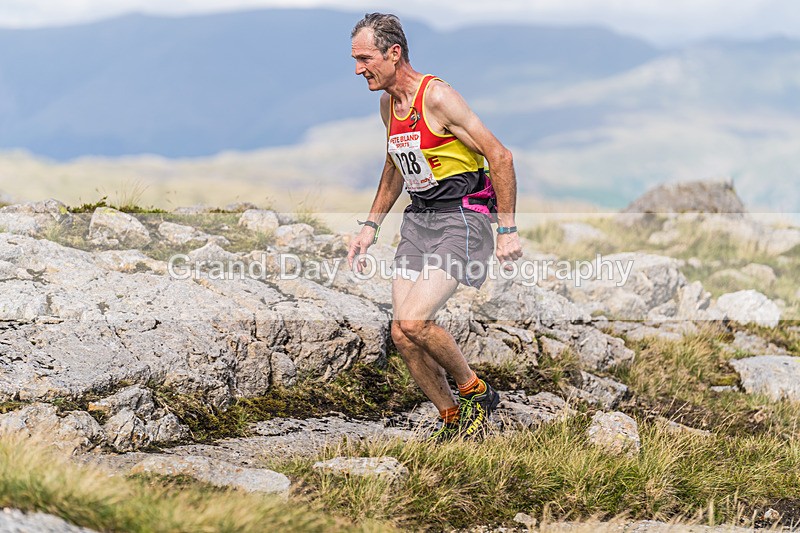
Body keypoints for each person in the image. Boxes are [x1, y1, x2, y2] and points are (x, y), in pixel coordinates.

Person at [347, 13, 523, 441]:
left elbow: (500, 156)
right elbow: (394, 165)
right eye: (354, 60)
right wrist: (371, 225)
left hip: (463, 217)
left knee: (414, 321)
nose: (357, 69)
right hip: (420, 217)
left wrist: (508, 228)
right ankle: (453, 420)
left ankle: (474, 391)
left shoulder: (439, 97)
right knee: (402, 335)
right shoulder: (388, 104)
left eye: (365, 58)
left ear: (394, 53)